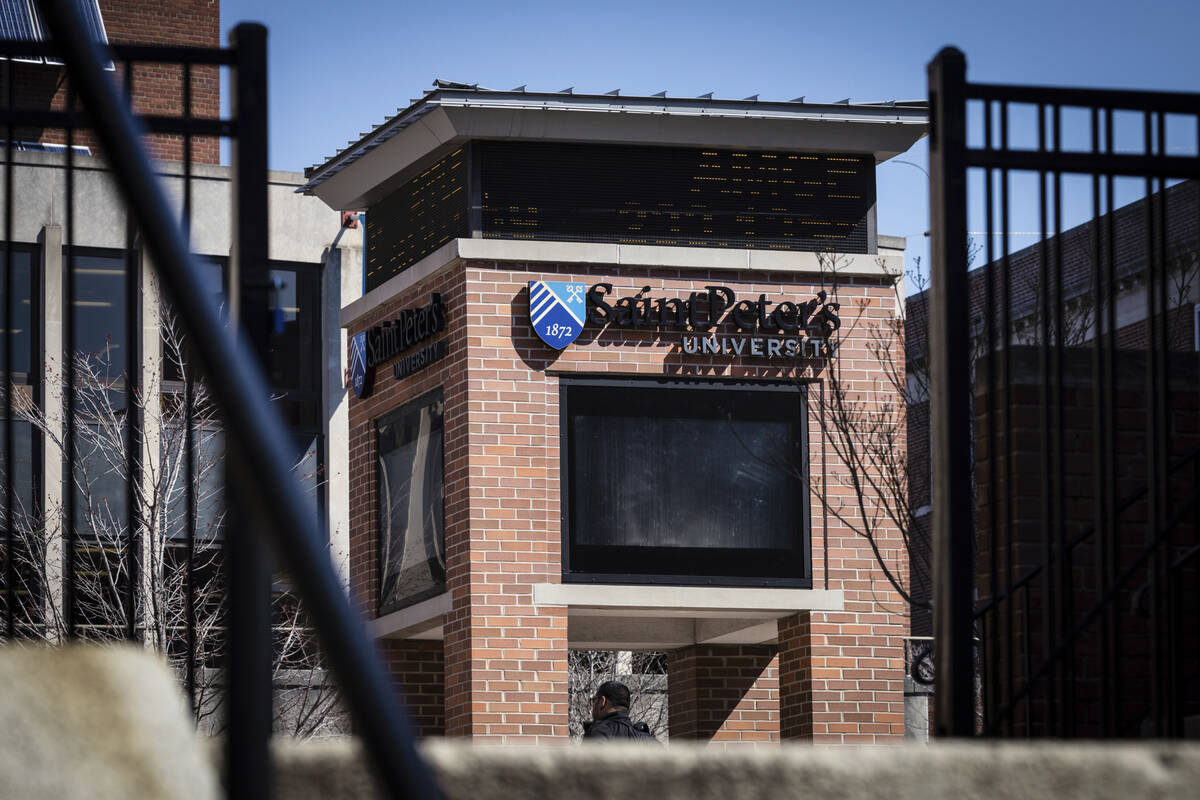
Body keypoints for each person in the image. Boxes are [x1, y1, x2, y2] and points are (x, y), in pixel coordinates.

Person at [581, 680, 657, 741]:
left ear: (602, 702)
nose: (593, 705)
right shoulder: (651, 742)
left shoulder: (597, 734)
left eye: (594, 701)